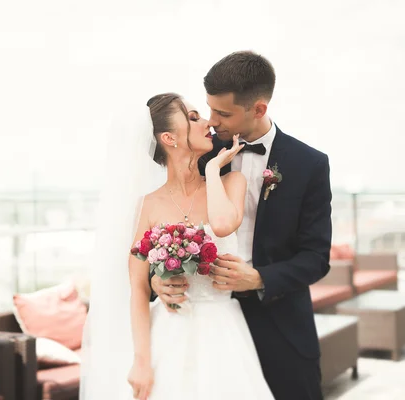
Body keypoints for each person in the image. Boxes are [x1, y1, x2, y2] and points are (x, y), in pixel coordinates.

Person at [151, 51, 332, 400]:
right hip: (203, 328)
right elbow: (160, 220)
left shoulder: (309, 164)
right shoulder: (199, 151)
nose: (212, 121)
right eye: (208, 108)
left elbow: (316, 257)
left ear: (259, 109)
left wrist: (260, 278)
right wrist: (158, 277)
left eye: (223, 113)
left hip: (281, 326)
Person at [79, 92, 274, 400]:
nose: (207, 122)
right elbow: (139, 289)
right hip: (168, 331)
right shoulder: (146, 205)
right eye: (194, 118)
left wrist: (211, 170)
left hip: (222, 333)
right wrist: (141, 361)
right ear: (169, 138)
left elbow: (223, 225)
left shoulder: (230, 181)